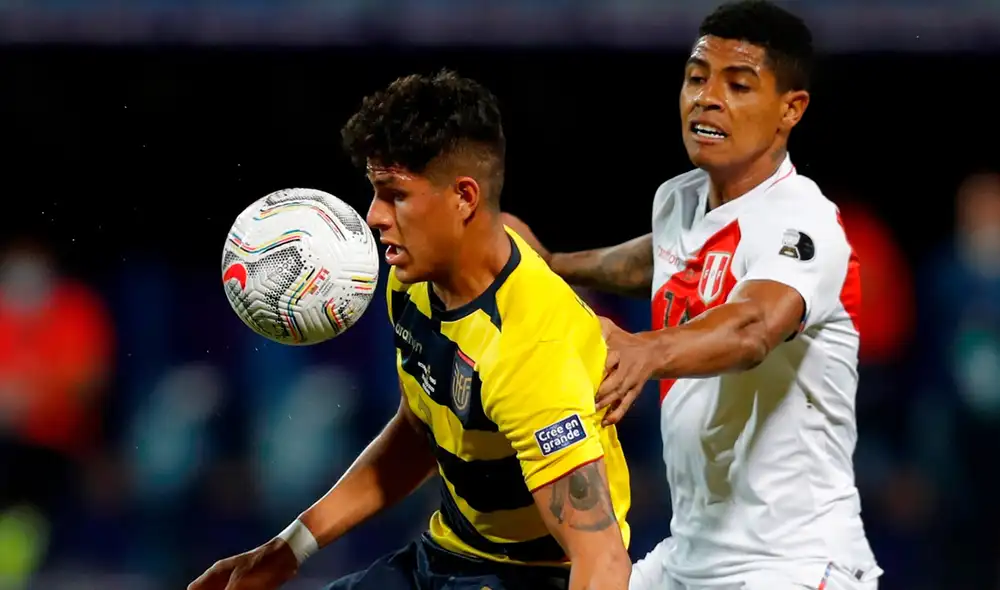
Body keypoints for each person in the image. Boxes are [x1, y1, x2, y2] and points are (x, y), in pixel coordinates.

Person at [189, 70, 632, 590]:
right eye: (375, 192)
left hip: (526, 578)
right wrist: (289, 548)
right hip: (445, 555)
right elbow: (421, 429)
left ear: (464, 197)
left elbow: (602, 561)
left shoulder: (529, 348)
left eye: (394, 194)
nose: (374, 216)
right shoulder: (414, 282)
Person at [503, 1, 882, 589]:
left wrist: (647, 350)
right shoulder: (680, 200)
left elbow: (754, 327)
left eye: (738, 84)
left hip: (795, 564)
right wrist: (552, 266)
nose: (707, 98)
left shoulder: (806, 223)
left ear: (791, 108)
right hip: (690, 555)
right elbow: (656, 259)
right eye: (697, 77)